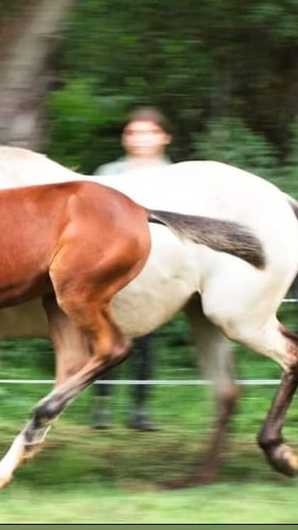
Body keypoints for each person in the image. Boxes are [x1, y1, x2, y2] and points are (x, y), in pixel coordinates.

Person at [91, 106, 172, 432]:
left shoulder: (176, 176)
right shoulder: (109, 172)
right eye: (134, 132)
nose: (141, 139)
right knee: (104, 335)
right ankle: (101, 407)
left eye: (149, 132)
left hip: (156, 263)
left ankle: (140, 410)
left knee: (147, 340)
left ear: (164, 137)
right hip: (110, 263)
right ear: (126, 137)